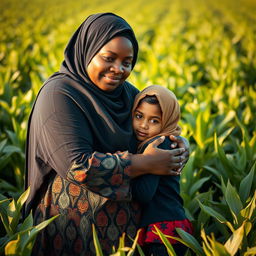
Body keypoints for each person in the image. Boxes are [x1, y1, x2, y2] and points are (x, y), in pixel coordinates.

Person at [24, 13, 189, 255]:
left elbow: (158, 124)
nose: (118, 70)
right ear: (87, 51)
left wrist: (178, 144)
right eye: (108, 58)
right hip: (71, 231)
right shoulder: (59, 95)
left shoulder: (128, 95)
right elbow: (78, 167)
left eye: (127, 62)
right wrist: (147, 162)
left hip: (127, 236)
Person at [131, 85, 193, 256]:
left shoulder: (158, 145)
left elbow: (144, 193)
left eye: (154, 121)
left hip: (163, 230)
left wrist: (124, 173)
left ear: (168, 121)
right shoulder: (161, 141)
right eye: (139, 116)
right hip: (167, 224)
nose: (143, 125)